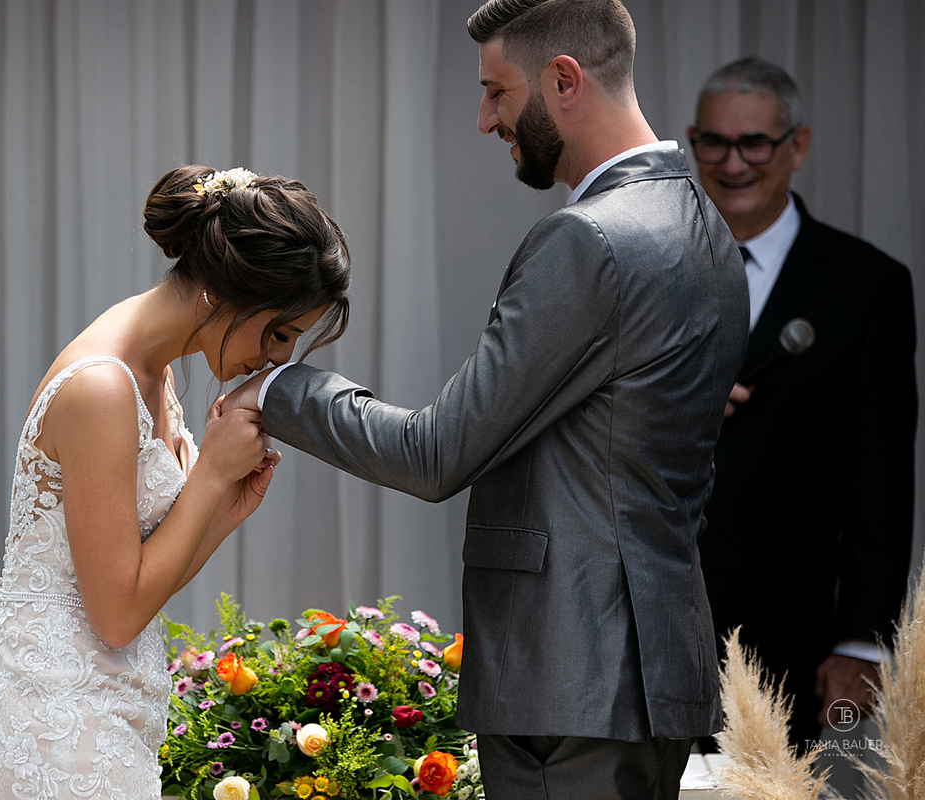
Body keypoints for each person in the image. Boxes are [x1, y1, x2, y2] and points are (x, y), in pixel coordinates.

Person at [223, 0, 749, 796]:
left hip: (568, 689)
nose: (484, 118)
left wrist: (278, 387)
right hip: (650, 677)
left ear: (563, 80)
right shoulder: (704, 229)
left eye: (497, 91)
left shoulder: (588, 240)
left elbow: (435, 452)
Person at [0, 165, 351, 800]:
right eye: (280, 332)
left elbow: (142, 581)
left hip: (109, 713)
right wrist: (209, 476)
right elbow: (117, 615)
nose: (280, 357)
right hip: (56, 724)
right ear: (221, 292)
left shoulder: (154, 372)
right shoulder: (101, 387)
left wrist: (223, 510)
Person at [688, 58, 917, 749]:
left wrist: (864, 640)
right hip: (640, 621)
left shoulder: (866, 285)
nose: (733, 163)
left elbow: (881, 478)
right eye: (714, 142)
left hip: (786, 629)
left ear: (798, 146)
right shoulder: (644, 265)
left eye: (755, 143)